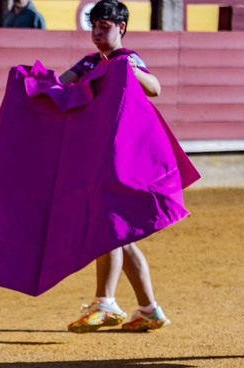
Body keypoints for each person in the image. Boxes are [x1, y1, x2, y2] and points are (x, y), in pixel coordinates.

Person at [58, 0, 170, 334]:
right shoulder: (90, 62)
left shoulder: (127, 59)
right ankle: (148, 309)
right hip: (98, 157)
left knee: (109, 228)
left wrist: (126, 72)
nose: (96, 32)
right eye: (93, 26)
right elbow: (62, 86)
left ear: (121, 28)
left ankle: (105, 303)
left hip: (122, 160)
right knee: (117, 231)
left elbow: (155, 88)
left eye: (103, 26)